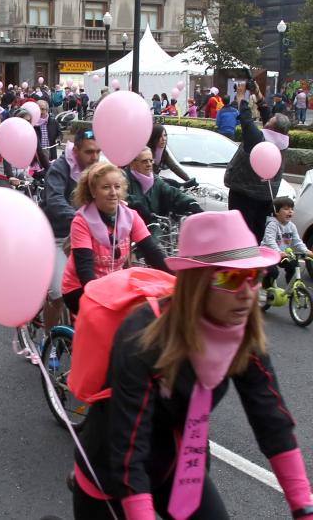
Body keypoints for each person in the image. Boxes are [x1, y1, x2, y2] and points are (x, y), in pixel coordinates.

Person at [71, 210, 313, 520]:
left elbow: (271, 421)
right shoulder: (142, 338)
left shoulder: (243, 332)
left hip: (180, 464)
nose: (246, 293)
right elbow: (130, 449)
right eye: (229, 277)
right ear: (196, 284)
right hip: (111, 467)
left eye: (254, 276)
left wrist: (303, 507)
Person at [61, 162, 168, 314]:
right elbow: (84, 269)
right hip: (79, 288)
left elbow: (152, 252)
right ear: (93, 191)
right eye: (106, 187)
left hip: (114, 285)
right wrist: (100, 296)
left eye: (117, 187)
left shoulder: (131, 216)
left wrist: (175, 279)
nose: (113, 193)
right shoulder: (82, 221)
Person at [42, 129, 101, 327]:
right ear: (75, 150)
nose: (95, 157)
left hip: (84, 237)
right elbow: (54, 200)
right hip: (57, 237)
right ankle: (49, 344)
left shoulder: (98, 170)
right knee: (58, 294)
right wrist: (78, 219)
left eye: (98, 152)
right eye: (89, 152)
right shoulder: (59, 168)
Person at [224, 83, 291, 241]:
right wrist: (258, 93)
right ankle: (261, 264)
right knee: (259, 237)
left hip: (243, 195)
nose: (266, 121)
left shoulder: (257, 139)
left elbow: (246, 119)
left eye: (269, 121)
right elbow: (267, 113)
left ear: (271, 127)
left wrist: (241, 97)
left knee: (241, 235)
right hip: (266, 198)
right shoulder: (283, 143)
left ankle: (246, 264)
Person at [126, 147, 203, 236]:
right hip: (131, 231)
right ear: (132, 163)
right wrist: (139, 207)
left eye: (151, 161)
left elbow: (171, 193)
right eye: (144, 161)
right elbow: (124, 198)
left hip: (155, 229)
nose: (149, 164)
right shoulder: (124, 180)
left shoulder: (156, 180)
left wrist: (191, 203)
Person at [261, 196, 313, 290]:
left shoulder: (292, 226)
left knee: (294, 265)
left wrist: (306, 251)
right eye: (286, 209)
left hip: (284, 255)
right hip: (269, 254)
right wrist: (278, 252)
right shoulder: (272, 225)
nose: (290, 211)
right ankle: (266, 288)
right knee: (273, 272)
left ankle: (291, 289)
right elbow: (270, 240)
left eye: (292, 209)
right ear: (276, 212)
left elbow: (297, 241)